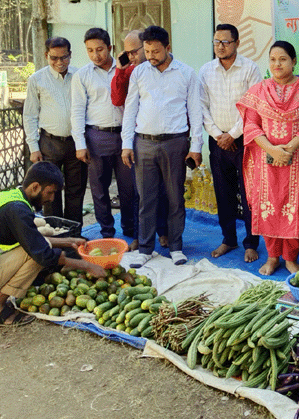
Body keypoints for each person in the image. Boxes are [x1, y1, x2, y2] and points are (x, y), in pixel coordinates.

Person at [0, 162, 105, 326]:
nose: (51, 199)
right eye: (50, 192)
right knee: (34, 256)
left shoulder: (8, 198)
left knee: (32, 247)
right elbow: (42, 254)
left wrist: (68, 241)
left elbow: (29, 239)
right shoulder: (18, 211)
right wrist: (87, 266)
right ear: (35, 187)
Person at [236, 41, 299, 276]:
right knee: (268, 207)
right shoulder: (259, 90)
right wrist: (272, 150)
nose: (277, 64)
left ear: (294, 61)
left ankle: (290, 259)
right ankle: (273, 257)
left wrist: (288, 148)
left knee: (295, 208)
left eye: (283, 59)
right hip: (266, 163)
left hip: (296, 160)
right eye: (273, 59)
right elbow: (251, 124)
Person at [121, 25, 203, 268]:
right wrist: (127, 144)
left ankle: (176, 247)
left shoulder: (186, 73)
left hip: (175, 142)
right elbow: (130, 109)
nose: (150, 56)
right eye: (147, 51)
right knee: (146, 198)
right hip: (143, 142)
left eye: (156, 51)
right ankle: (146, 249)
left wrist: (196, 145)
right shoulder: (139, 73)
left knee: (175, 197)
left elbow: (195, 112)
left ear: (168, 48)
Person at [71, 27, 139, 250]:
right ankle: (107, 231)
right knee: (99, 189)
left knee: (129, 187)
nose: (95, 55)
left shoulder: (128, 69)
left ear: (110, 48)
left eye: (99, 49)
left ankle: (130, 228)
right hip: (96, 136)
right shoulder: (83, 75)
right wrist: (80, 144)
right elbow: (77, 110)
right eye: (90, 50)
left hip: (124, 135)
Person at [200, 24, 262, 263]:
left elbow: (252, 106)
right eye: (216, 42)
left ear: (236, 43)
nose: (220, 46)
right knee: (223, 192)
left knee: (248, 194)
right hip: (217, 140)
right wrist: (218, 135)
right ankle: (228, 239)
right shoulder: (206, 71)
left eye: (225, 42)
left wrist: (233, 134)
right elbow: (201, 106)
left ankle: (251, 243)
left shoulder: (250, 69)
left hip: (244, 139)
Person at [111, 29, 169, 249]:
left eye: (134, 52)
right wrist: (120, 70)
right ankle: (139, 235)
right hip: (138, 138)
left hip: (163, 138)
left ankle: (163, 232)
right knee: (139, 192)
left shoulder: (168, 69)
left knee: (163, 190)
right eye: (127, 53)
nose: (132, 57)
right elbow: (118, 100)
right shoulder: (132, 72)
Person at [22, 37, 87, 224]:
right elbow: (30, 115)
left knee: (76, 189)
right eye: (54, 58)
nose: (59, 62)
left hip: (76, 143)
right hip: (49, 143)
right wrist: (34, 147)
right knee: (50, 191)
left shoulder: (79, 76)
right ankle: (56, 233)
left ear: (70, 55)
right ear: (46, 55)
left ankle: (74, 233)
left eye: (64, 57)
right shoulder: (37, 80)